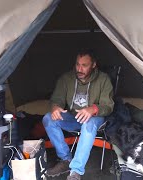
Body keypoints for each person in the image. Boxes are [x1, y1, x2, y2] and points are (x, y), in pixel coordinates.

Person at [42, 49, 114, 180]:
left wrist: (92, 109)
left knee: (88, 123)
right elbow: (56, 99)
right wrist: (55, 108)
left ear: (93, 65)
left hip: (94, 118)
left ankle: (76, 170)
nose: (79, 69)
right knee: (48, 119)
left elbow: (108, 106)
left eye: (84, 65)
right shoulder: (66, 78)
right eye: (77, 64)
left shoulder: (103, 79)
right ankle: (66, 160)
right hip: (73, 117)